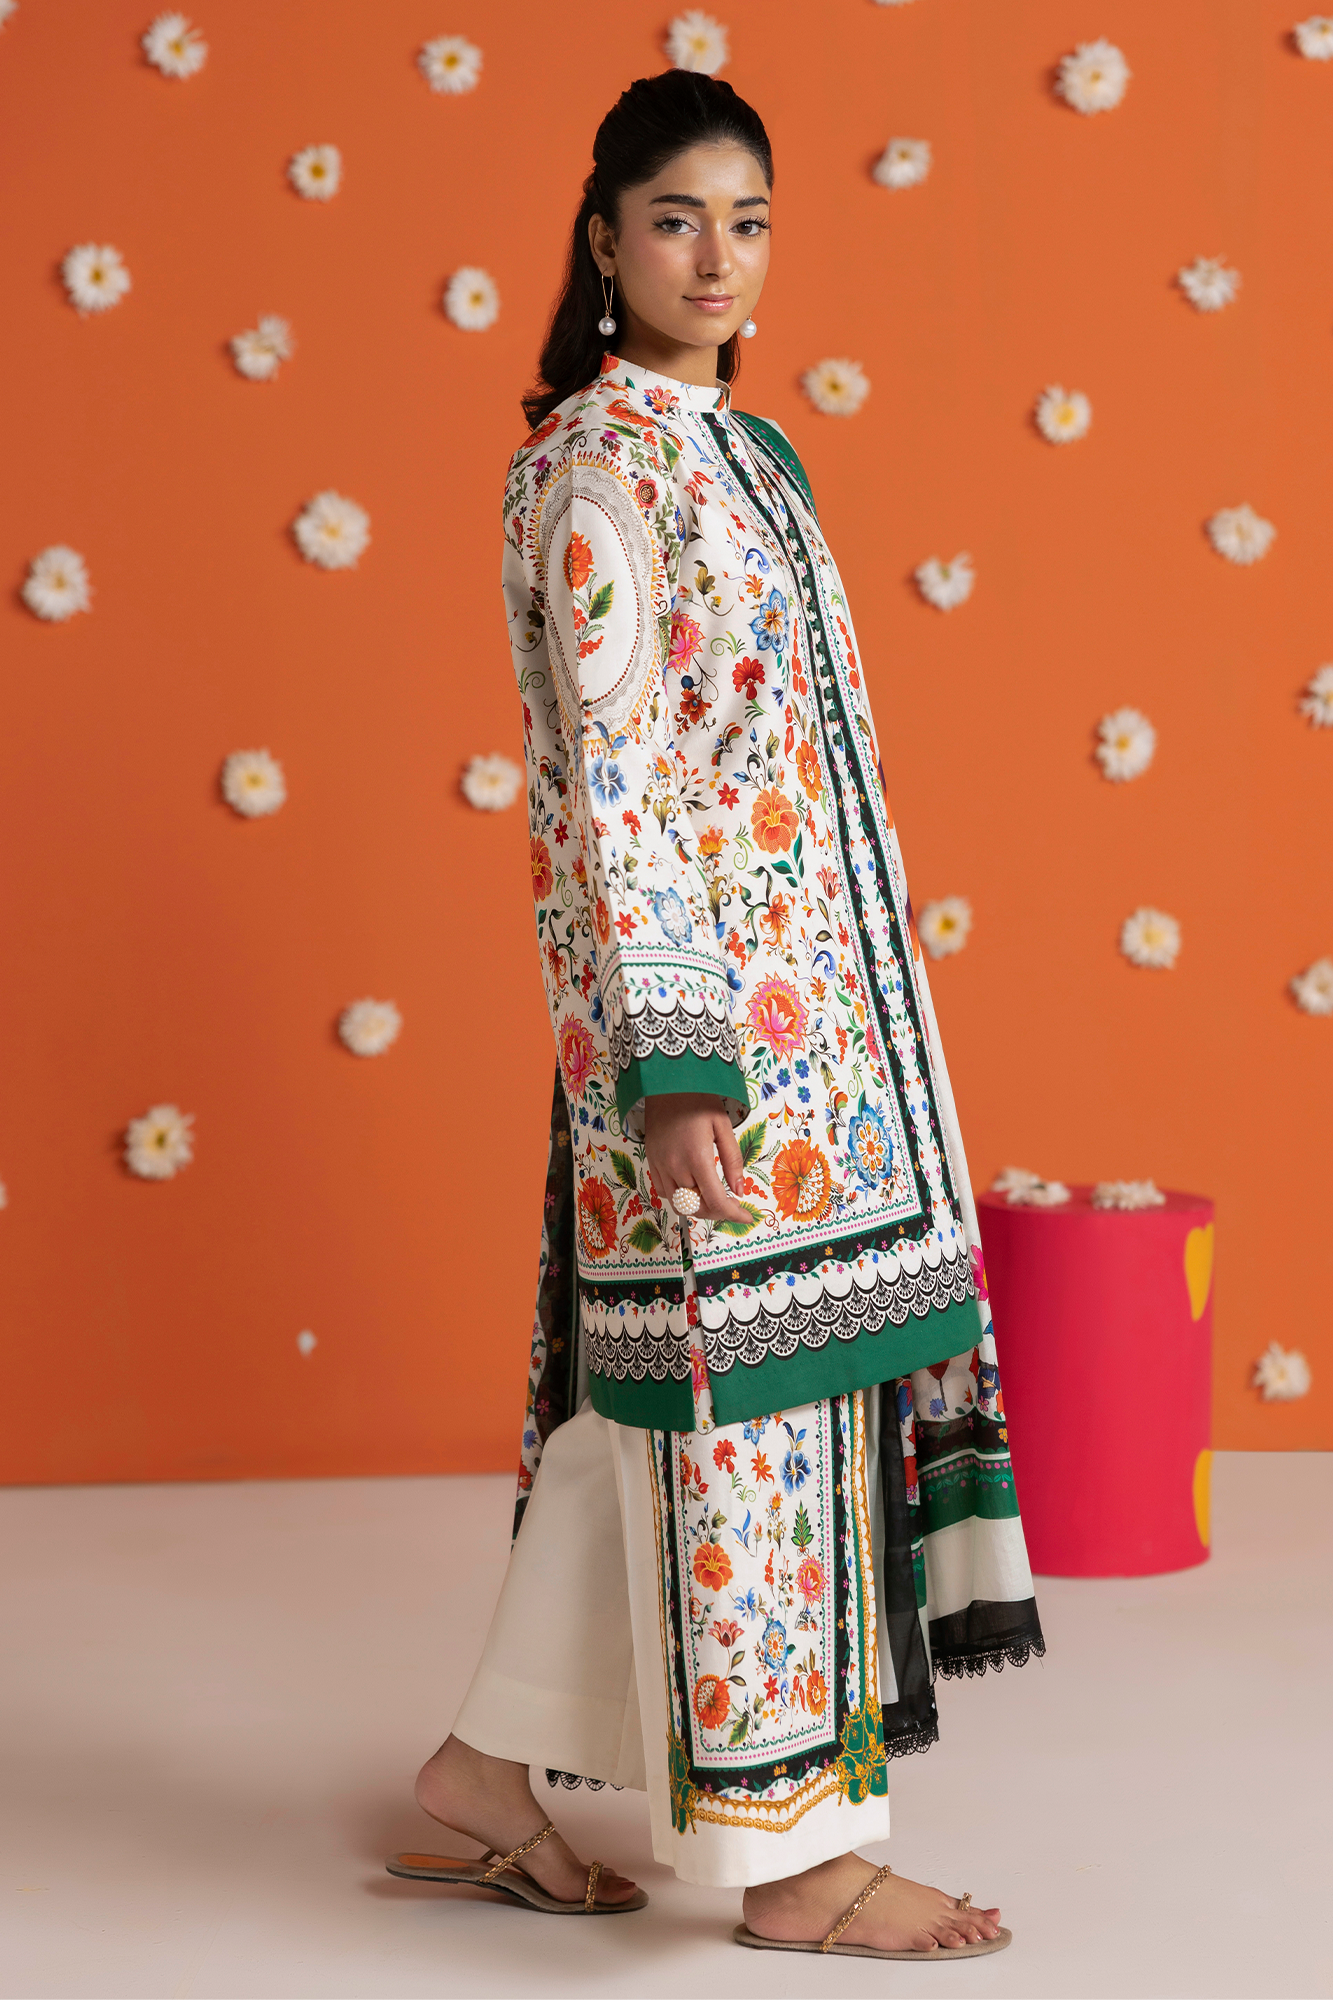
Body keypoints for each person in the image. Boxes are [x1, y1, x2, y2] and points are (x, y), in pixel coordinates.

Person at [389, 69, 1044, 1961]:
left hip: (827, 1037)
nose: (717, 257)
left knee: (664, 1410)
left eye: (749, 222)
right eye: (677, 219)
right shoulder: (598, 470)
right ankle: (793, 1863)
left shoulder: (749, 455)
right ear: (603, 241)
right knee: (748, 1419)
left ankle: (487, 1769)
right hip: (715, 1055)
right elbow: (621, 792)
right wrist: (679, 1069)